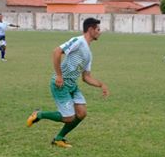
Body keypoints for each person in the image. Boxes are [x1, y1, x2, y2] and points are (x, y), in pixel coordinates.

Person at [25, 17, 109, 148]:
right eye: (98, 29)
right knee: (68, 117)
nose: (100, 32)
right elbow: (57, 51)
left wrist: (101, 85)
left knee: (81, 113)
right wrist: (59, 75)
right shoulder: (78, 41)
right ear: (90, 29)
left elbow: (86, 77)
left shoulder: (89, 54)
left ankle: (59, 138)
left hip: (72, 85)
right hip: (60, 84)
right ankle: (39, 114)